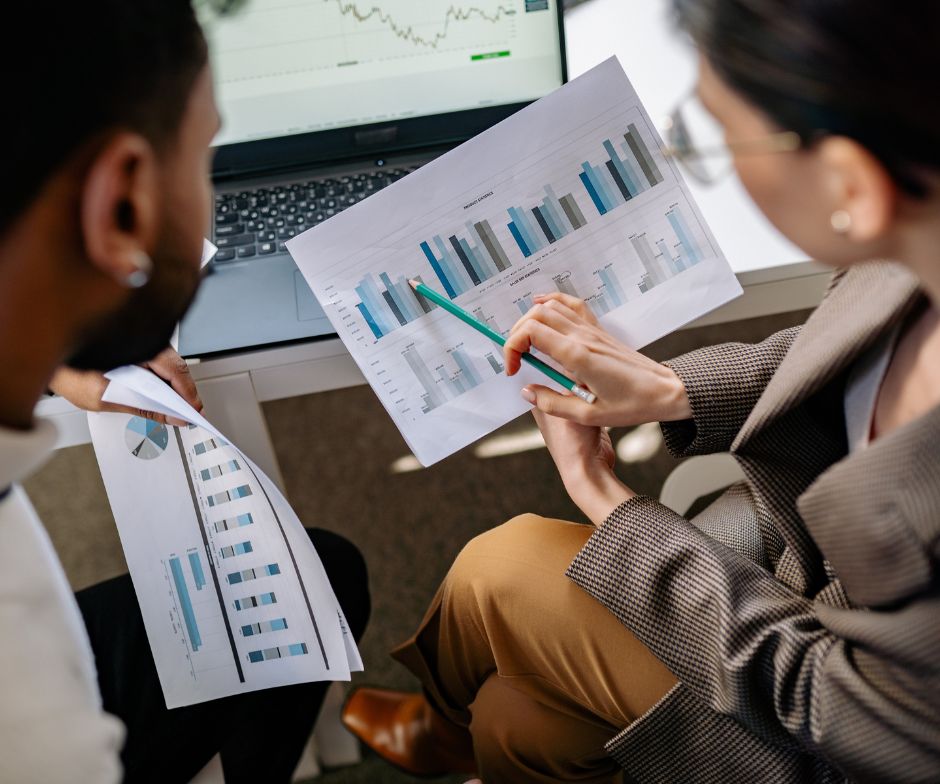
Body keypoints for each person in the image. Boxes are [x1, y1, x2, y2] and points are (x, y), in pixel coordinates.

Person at [341, 0, 940, 781]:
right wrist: (668, 390)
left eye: (710, 138)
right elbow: (852, 350)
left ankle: (439, 729)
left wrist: (606, 499)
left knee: (498, 569)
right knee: (516, 722)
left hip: (831, 717)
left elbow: (821, 701)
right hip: (805, 552)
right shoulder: (915, 233)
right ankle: (456, 735)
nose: (687, 154)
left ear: (850, 184)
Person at [0, 2, 369, 782]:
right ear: (121, 204)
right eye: (202, 156)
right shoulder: (43, 733)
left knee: (314, 575)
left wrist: (64, 340)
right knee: (318, 581)